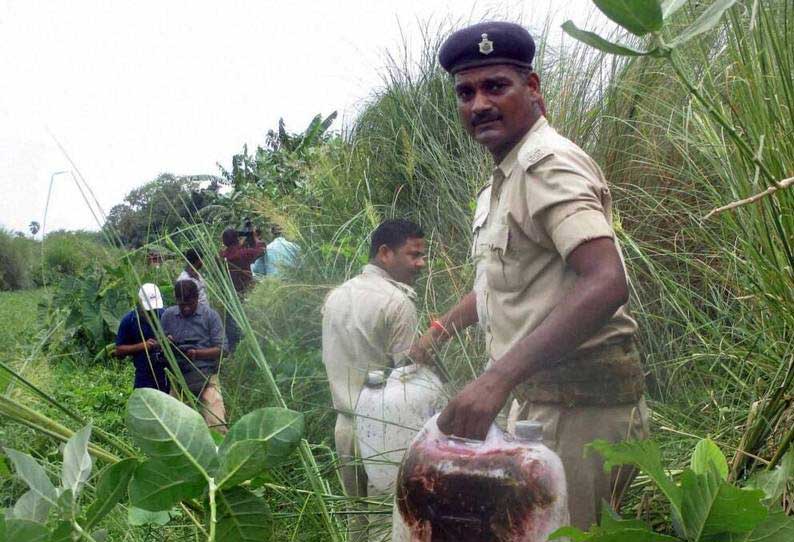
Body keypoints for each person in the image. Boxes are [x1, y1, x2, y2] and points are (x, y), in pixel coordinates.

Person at [408, 22, 648, 530]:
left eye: (496, 86)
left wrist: (494, 381)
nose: (478, 105)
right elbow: (500, 283)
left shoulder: (548, 166)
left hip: (580, 412)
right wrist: (439, 330)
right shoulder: (502, 181)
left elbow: (605, 281)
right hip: (539, 408)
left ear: (532, 88)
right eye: (466, 92)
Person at [322, 219, 426, 542]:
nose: (421, 264)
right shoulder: (398, 303)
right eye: (413, 255)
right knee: (387, 527)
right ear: (385, 253)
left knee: (357, 523)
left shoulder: (336, 297)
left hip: (345, 427)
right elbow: (409, 377)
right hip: (384, 432)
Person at [161, 279, 229, 434]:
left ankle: (218, 453)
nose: (185, 308)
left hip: (206, 376)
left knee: (216, 423)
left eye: (189, 304)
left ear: (197, 299)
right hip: (178, 377)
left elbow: (223, 349)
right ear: (176, 300)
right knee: (174, 427)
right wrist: (167, 343)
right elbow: (161, 344)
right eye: (181, 304)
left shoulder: (210, 316)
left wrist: (197, 353)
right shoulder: (168, 316)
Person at [115, 283, 170, 392]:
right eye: (148, 311)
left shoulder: (165, 315)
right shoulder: (129, 321)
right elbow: (119, 351)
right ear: (139, 304)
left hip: (166, 374)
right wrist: (143, 346)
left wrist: (167, 341)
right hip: (144, 375)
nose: (151, 313)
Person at [219, 227, 265, 350]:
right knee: (251, 327)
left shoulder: (221, 257)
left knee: (234, 332)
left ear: (224, 242)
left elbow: (225, 253)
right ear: (237, 239)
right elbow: (261, 250)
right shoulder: (244, 253)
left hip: (230, 298)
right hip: (246, 296)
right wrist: (255, 237)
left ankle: (236, 351)